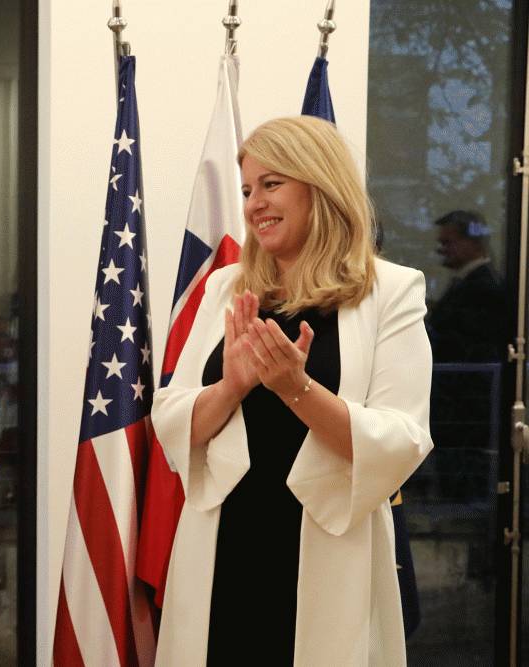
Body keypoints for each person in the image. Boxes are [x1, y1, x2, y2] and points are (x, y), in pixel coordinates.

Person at [151, 116, 433, 666]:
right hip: (224, 542)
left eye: (272, 183)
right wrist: (232, 386)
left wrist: (296, 389)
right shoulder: (225, 287)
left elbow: (402, 439)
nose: (255, 203)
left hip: (326, 546)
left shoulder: (392, 291)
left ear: (320, 185)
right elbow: (171, 416)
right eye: (248, 189)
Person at [427, 209, 504, 363]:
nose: (440, 249)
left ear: (473, 243)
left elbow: (461, 341)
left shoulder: (484, 287)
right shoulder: (469, 282)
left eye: (447, 242)